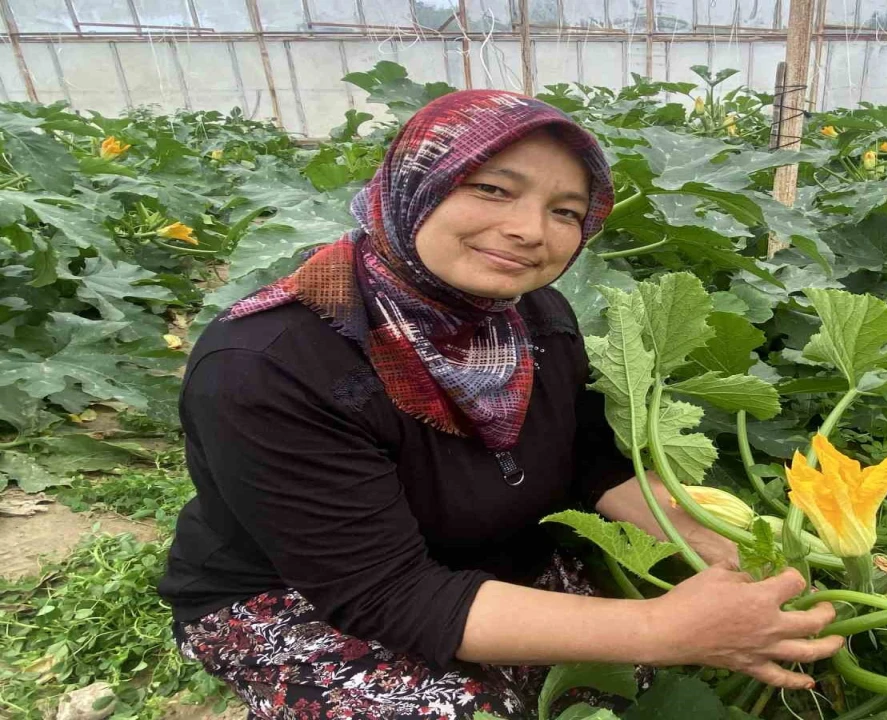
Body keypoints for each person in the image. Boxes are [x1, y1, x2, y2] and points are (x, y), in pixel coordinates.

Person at [158, 89, 842, 720]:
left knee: (614, 690)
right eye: (491, 189)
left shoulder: (536, 315)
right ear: (416, 186)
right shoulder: (267, 364)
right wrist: (661, 628)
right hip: (309, 596)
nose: (529, 230)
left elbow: (590, 464)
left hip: (497, 559)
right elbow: (385, 593)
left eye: (565, 211)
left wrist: (706, 535)